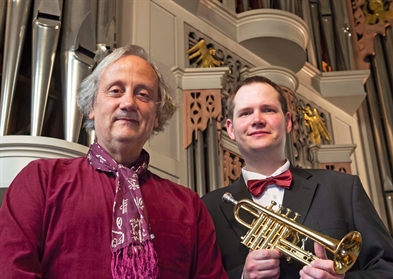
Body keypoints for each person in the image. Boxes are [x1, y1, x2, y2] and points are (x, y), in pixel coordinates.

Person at [0, 45, 228, 279]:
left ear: (157, 115)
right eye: (116, 90)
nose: (128, 103)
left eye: (143, 94)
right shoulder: (41, 180)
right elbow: (12, 270)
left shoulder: (189, 206)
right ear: (92, 106)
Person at [202, 75, 393, 279]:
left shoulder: (342, 188)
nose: (257, 119)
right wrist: (242, 276)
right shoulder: (207, 208)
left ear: (288, 122)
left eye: (268, 110)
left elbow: (392, 271)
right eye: (245, 113)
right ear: (231, 129)